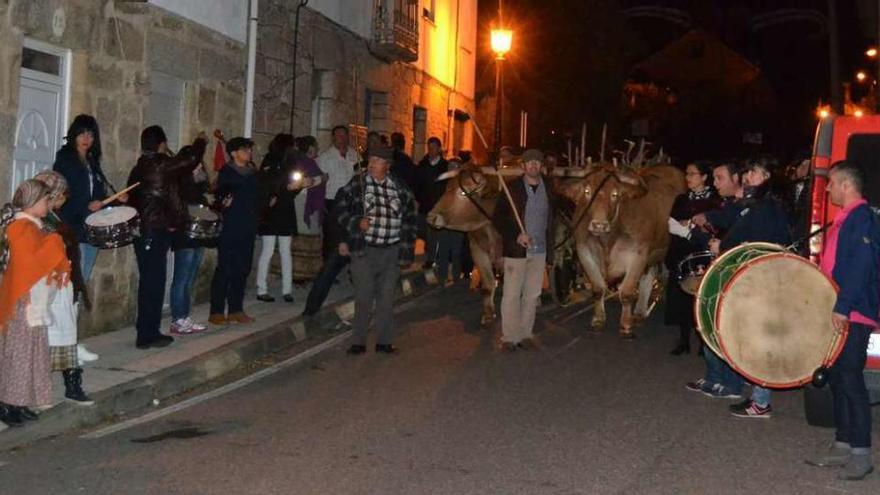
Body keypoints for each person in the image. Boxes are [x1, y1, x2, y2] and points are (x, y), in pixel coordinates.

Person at [806, 161, 878, 480]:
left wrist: (843, 307)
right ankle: (843, 442)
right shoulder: (843, 220)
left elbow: (860, 267)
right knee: (837, 379)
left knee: (851, 381)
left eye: (832, 183)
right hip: (839, 310)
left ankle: (861, 454)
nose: (829, 189)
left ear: (847, 185)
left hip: (852, 312)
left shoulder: (861, 219)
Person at [713, 158, 791, 419]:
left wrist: (722, 247)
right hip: (767, 277)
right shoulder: (764, 204)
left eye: (754, 173)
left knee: (760, 339)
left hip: (764, 279)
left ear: (767, 175)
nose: (747, 177)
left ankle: (760, 401)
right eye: (746, 172)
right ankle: (758, 395)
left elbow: (744, 238)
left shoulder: (764, 206)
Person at [128, 126, 208, 348]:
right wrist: (200, 141)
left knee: (152, 282)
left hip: (150, 229)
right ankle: (147, 334)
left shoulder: (141, 167)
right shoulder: (157, 164)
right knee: (152, 283)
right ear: (161, 144)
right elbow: (189, 160)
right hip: (152, 230)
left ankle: (148, 331)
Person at [0, 180, 70, 426]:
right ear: (31, 202)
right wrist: (54, 243)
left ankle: (21, 401)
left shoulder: (34, 225)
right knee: (18, 353)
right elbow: (29, 265)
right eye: (44, 200)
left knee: (31, 352)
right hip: (22, 300)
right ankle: (9, 404)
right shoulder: (19, 227)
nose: (48, 204)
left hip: (32, 301)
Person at [336, 145, 418, 355]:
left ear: (387, 166)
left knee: (386, 299)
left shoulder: (400, 188)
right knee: (364, 297)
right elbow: (339, 209)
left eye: (377, 161)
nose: (371, 164)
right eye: (370, 160)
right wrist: (356, 222)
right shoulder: (358, 184)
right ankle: (359, 342)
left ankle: (384, 342)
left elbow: (410, 219)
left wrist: (406, 251)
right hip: (365, 250)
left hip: (391, 251)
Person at [685, 161, 747, 399]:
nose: (715, 183)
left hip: (735, 274)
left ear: (736, 179)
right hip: (718, 268)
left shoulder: (746, 208)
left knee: (727, 327)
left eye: (720, 178)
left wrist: (720, 242)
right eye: (714, 178)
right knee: (709, 322)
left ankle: (732, 383)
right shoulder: (729, 204)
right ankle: (714, 376)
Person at [33, 171, 93, 405]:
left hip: (63, 286)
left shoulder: (53, 218)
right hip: (48, 288)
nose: (62, 202)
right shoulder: (39, 221)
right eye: (59, 197)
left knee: (67, 335)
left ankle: (72, 385)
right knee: (47, 339)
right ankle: (40, 391)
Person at [493, 149, 555, 351]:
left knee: (531, 294)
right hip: (516, 250)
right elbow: (498, 218)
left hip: (540, 250)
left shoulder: (550, 187)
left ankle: (526, 333)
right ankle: (510, 337)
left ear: (541, 165)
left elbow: (553, 218)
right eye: (530, 162)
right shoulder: (512, 189)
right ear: (523, 166)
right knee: (511, 293)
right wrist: (516, 235)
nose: (533, 165)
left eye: (537, 162)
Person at [665, 161, 719, 355]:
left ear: (704, 177)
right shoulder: (681, 199)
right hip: (682, 252)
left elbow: (711, 225)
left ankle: (704, 342)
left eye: (693, 174)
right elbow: (671, 224)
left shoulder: (715, 198)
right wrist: (688, 229)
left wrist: (690, 226)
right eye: (686, 174)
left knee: (702, 295)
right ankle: (684, 340)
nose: (688, 178)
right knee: (682, 295)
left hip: (703, 251)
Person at [53, 115, 113, 283]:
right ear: (75, 134)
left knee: (83, 279)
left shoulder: (92, 162)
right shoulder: (65, 159)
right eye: (83, 134)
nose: (87, 139)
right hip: (72, 226)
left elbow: (97, 195)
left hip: (91, 227)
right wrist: (88, 206)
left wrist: (114, 199)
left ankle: (75, 308)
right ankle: (71, 308)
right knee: (72, 279)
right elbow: (60, 195)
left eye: (91, 135)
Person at [210, 137, 260, 325]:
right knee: (225, 267)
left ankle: (236, 309)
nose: (249, 153)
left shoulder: (252, 173)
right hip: (231, 226)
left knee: (242, 268)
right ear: (234, 153)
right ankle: (216, 310)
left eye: (249, 149)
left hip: (248, 225)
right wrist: (223, 202)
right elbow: (219, 196)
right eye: (245, 150)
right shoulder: (227, 173)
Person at [255, 134, 307, 303]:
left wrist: (295, 188)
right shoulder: (270, 160)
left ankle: (287, 289)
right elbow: (265, 182)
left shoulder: (291, 161)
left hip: (284, 208)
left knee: (286, 250)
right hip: (271, 209)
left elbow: (295, 183)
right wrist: (282, 189)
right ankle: (261, 288)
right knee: (268, 250)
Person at [169, 143, 212, 336]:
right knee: (182, 278)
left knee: (190, 278)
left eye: (200, 164)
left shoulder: (198, 189)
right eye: (195, 165)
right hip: (185, 236)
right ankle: (177, 319)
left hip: (198, 236)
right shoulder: (181, 187)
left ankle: (185, 316)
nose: (200, 168)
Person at [317, 125, 358, 258]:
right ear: (333, 138)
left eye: (344, 135)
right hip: (332, 201)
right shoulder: (325, 157)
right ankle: (329, 268)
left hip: (351, 202)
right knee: (331, 236)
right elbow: (319, 182)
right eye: (338, 135)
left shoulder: (355, 155)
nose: (342, 138)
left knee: (350, 234)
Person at [415, 136, 449, 270]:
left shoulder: (444, 166)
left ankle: (434, 259)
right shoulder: (423, 165)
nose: (431, 150)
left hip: (439, 205)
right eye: (429, 148)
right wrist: (417, 199)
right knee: (425, 232)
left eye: (434, 148)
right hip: (425, 205)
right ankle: (430, 255)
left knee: (435, 233)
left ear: (439, 149)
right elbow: (417, 184)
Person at [434, 156, 465, 285]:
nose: (451, 169)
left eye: (455, 167)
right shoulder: (442, 183)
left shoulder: (463, 184)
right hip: (444, 222)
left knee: (456, 251)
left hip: (458, 223)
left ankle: (456, 277)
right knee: (443, 250)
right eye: (450, 166)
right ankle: (442, 277)